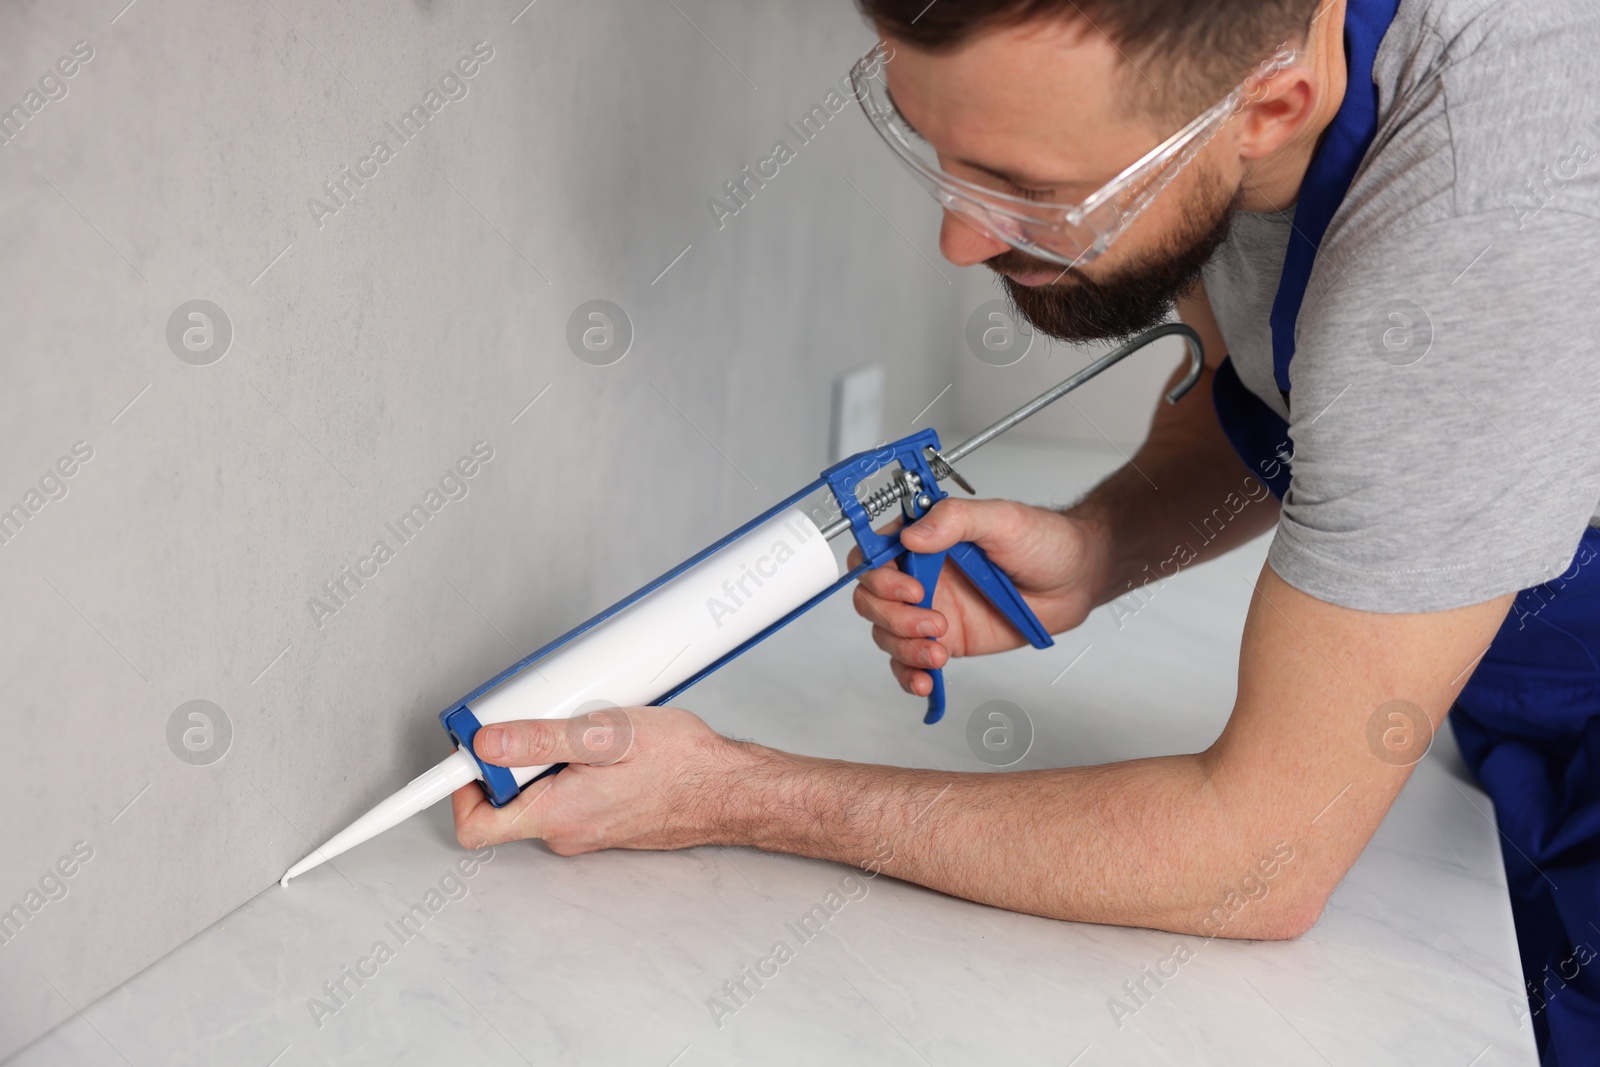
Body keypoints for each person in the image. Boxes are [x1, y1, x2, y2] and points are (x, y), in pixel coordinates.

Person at [453, 1, 1600, 1060]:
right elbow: (1293, 390)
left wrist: (727, 793)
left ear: (1270, 108)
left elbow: (1257, 855)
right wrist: (1099, 543)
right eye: (932, 147)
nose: (958, 242)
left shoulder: (1482, 223)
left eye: (1031, 189)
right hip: (1502, 715)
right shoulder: (1249, 97)